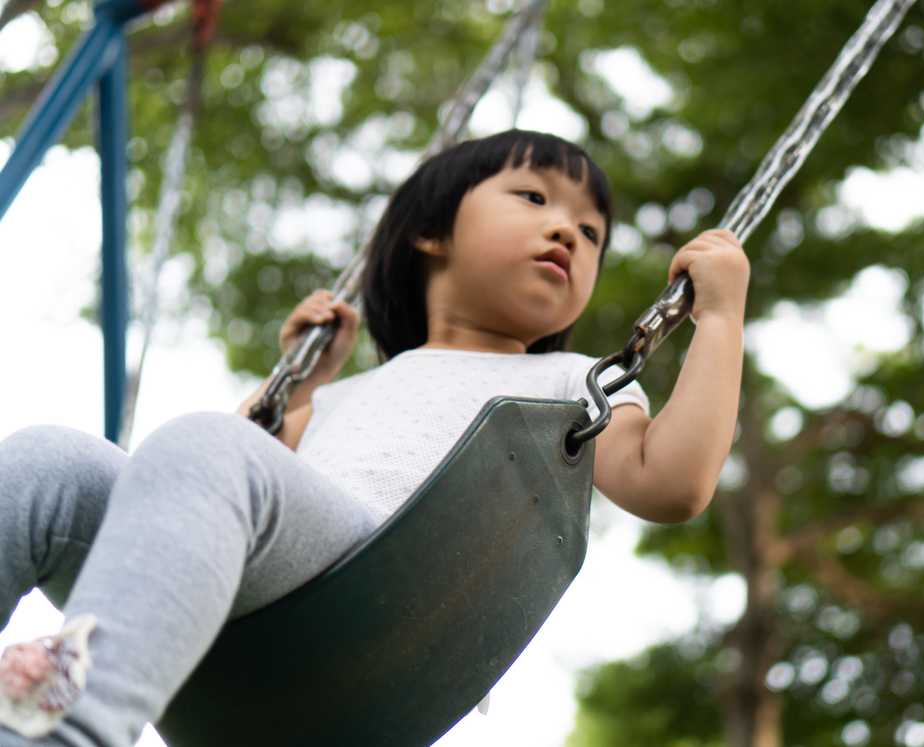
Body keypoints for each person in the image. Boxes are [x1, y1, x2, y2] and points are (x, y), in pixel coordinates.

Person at [0, 128, 749, 746]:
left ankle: (68, 729)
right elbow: (179, 499)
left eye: (592, 233)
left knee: (211, 449)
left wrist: (718, 318)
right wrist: (292, 384)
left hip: (386, 621)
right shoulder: (337, 397)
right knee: (51, 464)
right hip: (228, 634)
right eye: (533, 198)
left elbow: (671, 481)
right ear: (430, 232)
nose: (569, 231)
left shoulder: (572, 384)